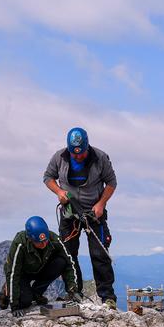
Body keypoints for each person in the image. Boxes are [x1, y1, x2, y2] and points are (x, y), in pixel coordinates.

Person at [44, 127, 118, 309]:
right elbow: (48, 178)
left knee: (99, 254)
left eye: (81, 153)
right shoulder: (59, 157)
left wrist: (101, 204)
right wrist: (59, 191)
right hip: (69, 213)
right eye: (74, 153)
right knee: (68, 254)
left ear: (87, 146)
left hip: (94, 214)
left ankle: (107, 297)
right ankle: (73, 292)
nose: (77, 156)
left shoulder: (100, 158)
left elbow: (111, 183)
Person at [0, 216, 82, 316]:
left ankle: (36, 293)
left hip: (40, 267)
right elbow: (13, 273)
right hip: (21, 274)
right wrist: (14, 306)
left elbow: (69, 263)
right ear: (30, 239)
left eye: (45, 241)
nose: (43, 244)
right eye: (39, 242)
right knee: (25, 302)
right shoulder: (19, 244)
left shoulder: (54, 239)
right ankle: (6, 291)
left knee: (61, 262)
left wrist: (73, 290)